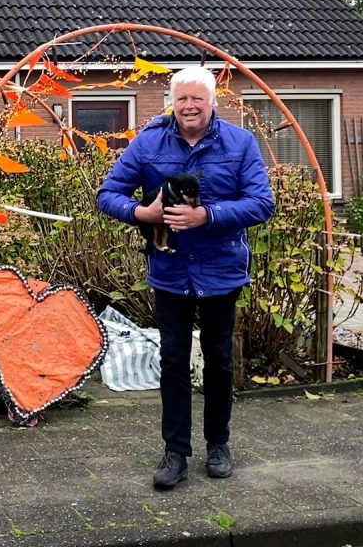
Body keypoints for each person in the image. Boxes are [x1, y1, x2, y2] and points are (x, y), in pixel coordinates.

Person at [95, 65, 274, 490]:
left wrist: (207, 215)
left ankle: (219, 444)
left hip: (221, 269)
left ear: (214, 101)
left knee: (219, 362)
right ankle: (175, 451)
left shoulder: (240, 143)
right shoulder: (148, 143)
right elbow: (108, 194)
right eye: (182, 99)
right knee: (173, 362)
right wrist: (143, 213)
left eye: (197, 98)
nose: (189, 106)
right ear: (172, 103)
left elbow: (261, 204)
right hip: (170, 270)